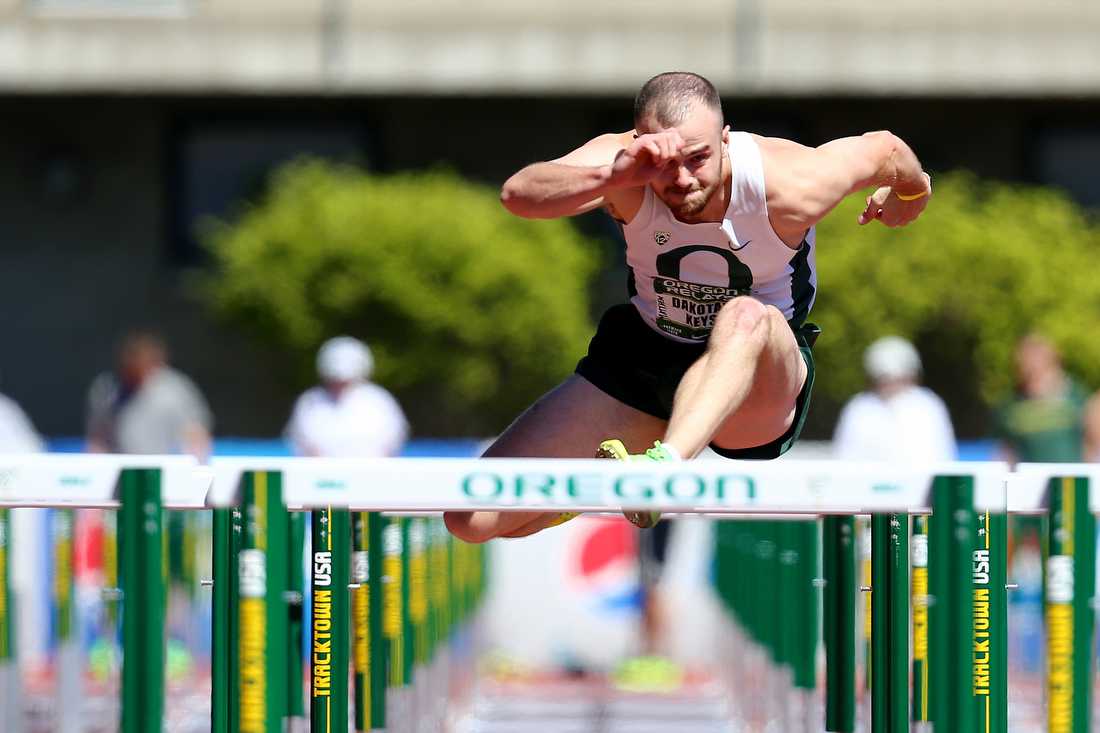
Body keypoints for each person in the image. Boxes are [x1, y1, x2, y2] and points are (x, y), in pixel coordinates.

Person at [444, 71, 932, 543]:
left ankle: (661, 474)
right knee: (469, 518)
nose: (681, 179)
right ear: (640, 143)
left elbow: (887, 148)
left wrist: (912, 192)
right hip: (650, 355)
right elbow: (519, 195)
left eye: (697, 158)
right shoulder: (624, 167)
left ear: (725, 138)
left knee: (743, 314)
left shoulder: (791, 182)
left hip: (757, 377)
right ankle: (610, 484)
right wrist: (611, 176)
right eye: (664, 164)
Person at [85, 331, 213, 459]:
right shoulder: (107, 389)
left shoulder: (175, 390)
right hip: (121, 471)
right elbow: (97, 439)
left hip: (161, 471)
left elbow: (196, 437)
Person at [833, 336, 956, 462]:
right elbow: (846, 459)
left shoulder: (928, 406)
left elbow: (940, 458)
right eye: (883, 379)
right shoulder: (858, 409)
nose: (890, 385)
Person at [285, 336, 409, 457]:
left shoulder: (379, 401)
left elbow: (392, 442)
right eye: (335, 380)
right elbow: (300, 441)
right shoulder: (310, 401)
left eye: (347, 382)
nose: (340, 386)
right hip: (322, 476)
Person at [993, 333, 1089, 465]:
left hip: (1069, 481)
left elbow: (1091, 444)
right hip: (1029, 480)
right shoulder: (1009, 405)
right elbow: (1005, 451)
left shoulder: (1077, 397)